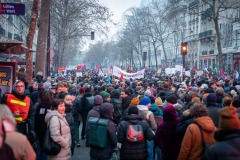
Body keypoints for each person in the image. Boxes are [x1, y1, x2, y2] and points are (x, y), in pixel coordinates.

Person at [34, 91, 54, 160]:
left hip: (40, 130)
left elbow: (36, 119)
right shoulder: (51, 107)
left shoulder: (39, 106)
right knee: (45, 149)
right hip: (47, 131)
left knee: (40, 149)